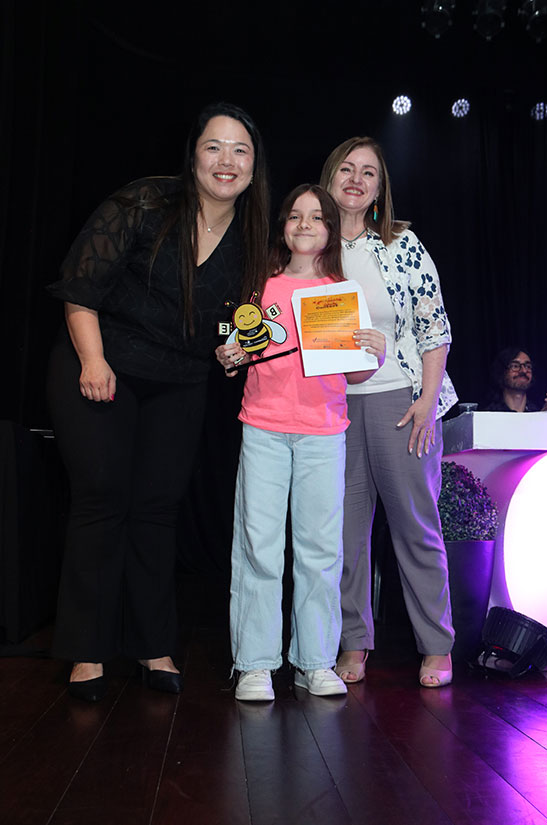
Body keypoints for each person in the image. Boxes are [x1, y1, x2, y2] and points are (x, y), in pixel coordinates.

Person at [46, 102, 270, 702]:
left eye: (240, 150)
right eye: (214, 146)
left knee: (156, 509)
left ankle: (152, 645)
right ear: (193, 154)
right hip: (101, 363)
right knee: (101, 500)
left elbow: (230, 321)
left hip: (180, 380)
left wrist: (229, 350)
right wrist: (93, 360)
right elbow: (80, 288)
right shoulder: (145, 201)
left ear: (254, 166)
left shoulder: (252, 236)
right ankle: (87, 651)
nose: (226, 160)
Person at [216, 184, 385, 701]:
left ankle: (315, 661)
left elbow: (355, 374)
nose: (305, 225)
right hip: (264, 428)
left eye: (316, 217)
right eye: (295, 216)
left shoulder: (340, 292)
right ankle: (254, 665)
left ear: (330, 229)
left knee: (320, 550)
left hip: (323, 434)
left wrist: (374, 354)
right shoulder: (260, 287)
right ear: (283, 227)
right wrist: (229, 355)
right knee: (259, 547)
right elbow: (239, 347)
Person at [319, 137, 458, 688]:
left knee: (416, 528)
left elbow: (434, 325)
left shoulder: (402, 243)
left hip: (401, 400)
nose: (356, 179)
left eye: (369, 173)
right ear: (329, 177)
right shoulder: (311, 245)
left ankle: (437, 646)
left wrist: (427, 399)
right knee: (344, 535)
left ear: (379, 188)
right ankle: (353, 642)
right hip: (332, 407)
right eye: (346, 169)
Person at [482, 347, 547, 412]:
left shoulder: (537, 412)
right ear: (502, 372)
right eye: (515, 366)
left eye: (528, 366)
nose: (524, 371)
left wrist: (543, 416)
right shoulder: (488, 415)